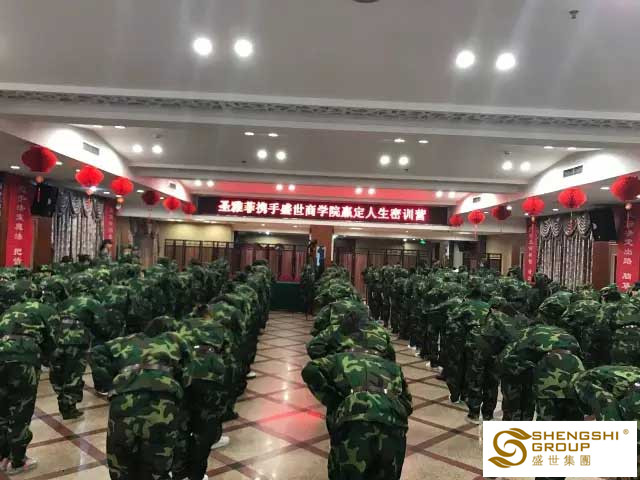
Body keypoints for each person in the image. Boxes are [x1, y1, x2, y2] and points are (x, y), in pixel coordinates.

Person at [91, 316, 192, 480]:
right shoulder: (174, 339)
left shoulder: (126, 341)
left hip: (124, 402)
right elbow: (188, 372)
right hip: (162, 403)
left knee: (120, 462)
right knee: (157, 465)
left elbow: (95, 353)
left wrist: (113, 380)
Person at [302, 348, 412, 480]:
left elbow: (310, 370)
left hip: (355, 418)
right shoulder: (393, 367)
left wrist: (334, 400)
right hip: (394, 422)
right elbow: (407, 404)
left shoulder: (339, 358)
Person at [0, 303, 55, 474]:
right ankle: (17, 461)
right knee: (21, 410)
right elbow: (52, 342)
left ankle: (2, 456)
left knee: (2, 408)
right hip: (25, 358)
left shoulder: (10, 310)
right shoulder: (47, 310)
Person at [307, 309, 396, 361]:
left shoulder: (335, 329)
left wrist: (329, 360)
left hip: (345, 365)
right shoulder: (380, 330)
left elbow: (312, 347)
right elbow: (391, 353)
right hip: (377, 369)